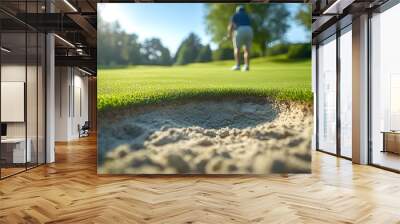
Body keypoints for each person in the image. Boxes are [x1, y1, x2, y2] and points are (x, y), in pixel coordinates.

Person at [227, 5, 254, 72]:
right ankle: (246, 66)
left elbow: (231, 25)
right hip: (249, 30)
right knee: (247, 50)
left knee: (237, 49)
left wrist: (229, 34)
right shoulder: (247, 15)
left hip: (240, 30)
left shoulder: (235, 15)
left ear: (237, 10)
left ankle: (237, 66)